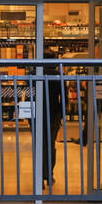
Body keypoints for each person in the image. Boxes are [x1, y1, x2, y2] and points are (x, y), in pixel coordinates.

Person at [40, 63, 68, 193]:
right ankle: (49, 175)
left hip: (37, 115)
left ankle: (39, 177)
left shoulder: (33, 73)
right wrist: (61, 114)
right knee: (50, 145)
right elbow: (64, 97)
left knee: (39, 146)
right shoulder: (58, 76)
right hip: (53, 114)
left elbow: (28, 95)